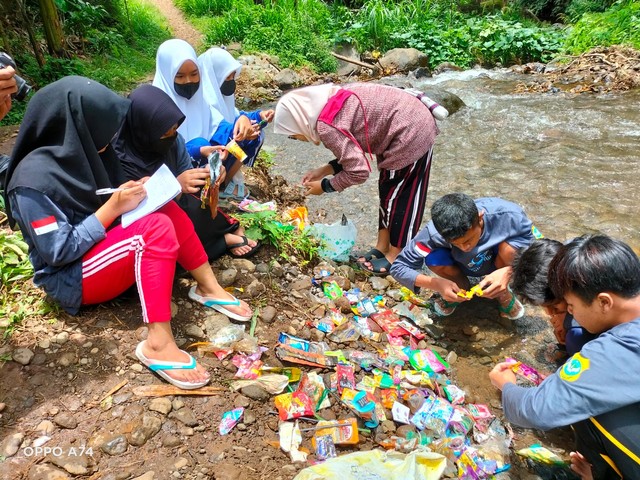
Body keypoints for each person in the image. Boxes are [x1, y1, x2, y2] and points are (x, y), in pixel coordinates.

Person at [3, 76, 253, 390]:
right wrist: (112, 208)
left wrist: (136, 193)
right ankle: (158, 344)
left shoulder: (87, 154)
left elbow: (105, 196)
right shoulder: (32, 182)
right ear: (76, 130)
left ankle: (208, 287)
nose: (110, 141)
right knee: (154, 229)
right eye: (102, 134)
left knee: (166, 210)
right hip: (69, 275)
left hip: (99, 248)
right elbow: (57, 252)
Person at [490, 234, 640, 480]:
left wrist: (506, 385)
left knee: (587, 406)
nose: (569, 315)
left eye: (569, 306)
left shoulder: (612, 351)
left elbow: (536, 410)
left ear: (604, 302)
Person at [273, 83, 438, 274]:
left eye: (292, 134)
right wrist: (325, 169)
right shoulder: (326, 103)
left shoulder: (326, 126)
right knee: (387, 191)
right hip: (401, 123)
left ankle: (397, 256)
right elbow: (352, 150)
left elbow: (359, 172)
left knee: (401, 197)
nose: (296, 138)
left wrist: (326, 186)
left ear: (299, 120)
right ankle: (382, 246)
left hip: (411, 130)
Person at [111, 84, 260, 260]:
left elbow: (186, 171)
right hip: (144, 217)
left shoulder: (174, 141)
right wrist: (174, 185)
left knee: (196, 204)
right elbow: (127, 207)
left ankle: (224, 233)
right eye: (164, 133)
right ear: (142, 129)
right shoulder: (118, 156)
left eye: (174, 129)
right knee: (169, 226)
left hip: (180, 201)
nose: (172, 136)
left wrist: (208, 174)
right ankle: (221, 240)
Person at [390, 193, 542, 319]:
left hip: (499, 261)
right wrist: (436, 284)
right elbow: (399, 267)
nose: (465, 247)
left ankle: (501, 291)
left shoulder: (509, 216)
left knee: (510, 249)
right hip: (462, 265)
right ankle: (459, 287)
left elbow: (539, 250)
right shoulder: (432, 234)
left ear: (480, 219)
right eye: (455, 243)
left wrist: (509, 271)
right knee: (433, 258)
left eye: (468, 240)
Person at [152, 39, 254, 202]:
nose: (188, 81)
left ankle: (222, 185)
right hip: (177, 174)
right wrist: (198, 149)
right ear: (167, 74)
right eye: (180, 76)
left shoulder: (200, 99)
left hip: (208, 162)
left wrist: (242, 121)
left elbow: (220, 125)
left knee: (239, 137)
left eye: (194, 74)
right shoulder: (155, 107)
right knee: (199, 142)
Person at [198, 47, 274, 199]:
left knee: (257, 134)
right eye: (227, 78)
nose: (231, 83)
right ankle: (218, 184)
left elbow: (238, 115)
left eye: (233, 78)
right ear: (215, 77)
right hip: (206, 155)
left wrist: (260, 115)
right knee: (242, 137)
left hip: (224, 148)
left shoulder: (223, 98)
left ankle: (226, 181)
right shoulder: (203, 100)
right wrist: (242, 127)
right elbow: (221, 128)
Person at [511, 238, 598, 355]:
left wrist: (568, 324)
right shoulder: (576, 250)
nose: (549, 313)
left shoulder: (576, 333)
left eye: (555, 307)